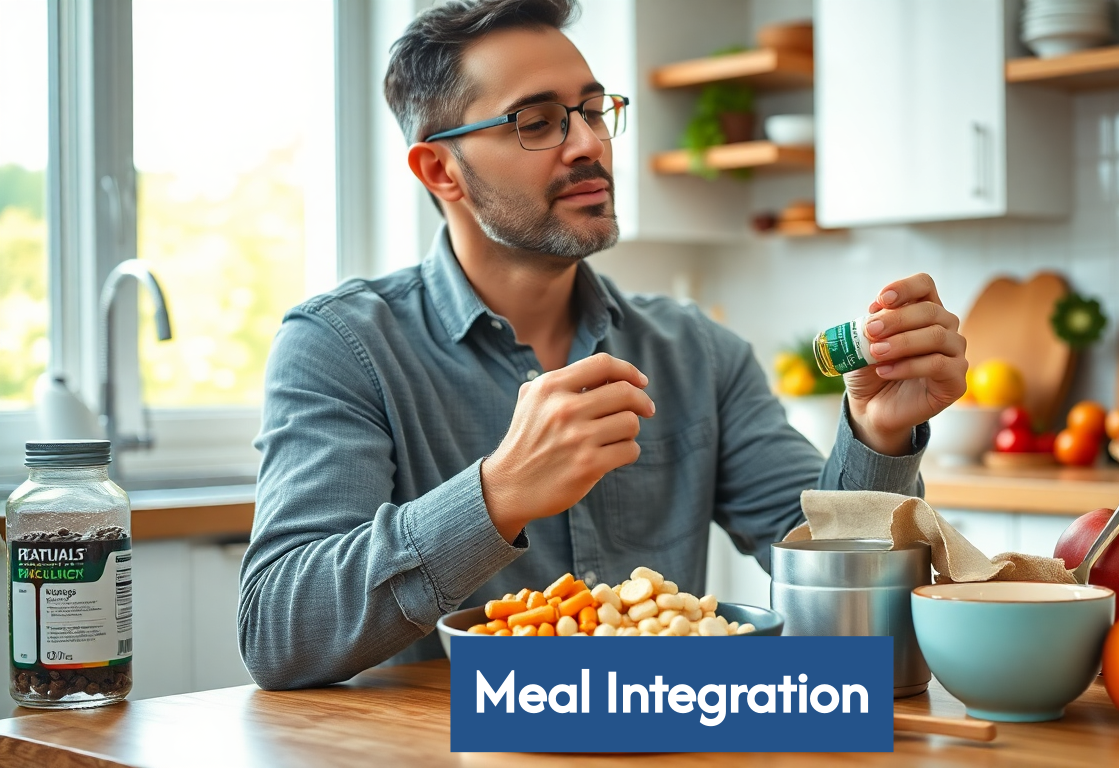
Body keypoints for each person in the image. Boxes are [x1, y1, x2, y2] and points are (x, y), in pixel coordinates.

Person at [238, 0, 968, 691]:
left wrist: (879, 431)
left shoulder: (699, 353)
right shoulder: (340, 346)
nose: (589, 143)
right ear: (441, 171)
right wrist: (496, 497)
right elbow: (278, 632)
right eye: (537, 121)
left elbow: (838, 609)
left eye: (591, 110)